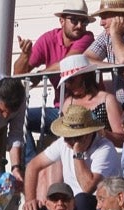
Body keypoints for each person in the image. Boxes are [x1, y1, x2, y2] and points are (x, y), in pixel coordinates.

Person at [24, 105, 122, 210]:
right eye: (66, 136)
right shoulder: (63, 143)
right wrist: (30, 199)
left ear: (87, 135)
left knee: (81, 200)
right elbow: (33, 166)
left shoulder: (105, 149)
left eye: (73, 137)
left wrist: (78, 153)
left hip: (99, 208)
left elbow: (87, 188)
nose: (67, 141)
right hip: (72, 204)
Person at [13, 5, 95, 138]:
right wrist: (25, 55)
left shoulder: (87, 37)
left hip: (87, 110)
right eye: (74, 20)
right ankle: (29, 159)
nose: (80, 25)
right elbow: (18, 74)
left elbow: (69, 63)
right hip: (60, 111)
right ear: (62, 21)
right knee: (17, 117)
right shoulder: (48, 39)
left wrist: (41, 74)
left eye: (84, 22)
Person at [55, 53, 124, 148]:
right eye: (66, 82)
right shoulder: (69, 103)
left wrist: (99, 133)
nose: (68, 85)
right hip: (77, 155)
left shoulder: (107, 100)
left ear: (85, 77)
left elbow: (122, 140)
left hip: (102, 152)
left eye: (71, 80)